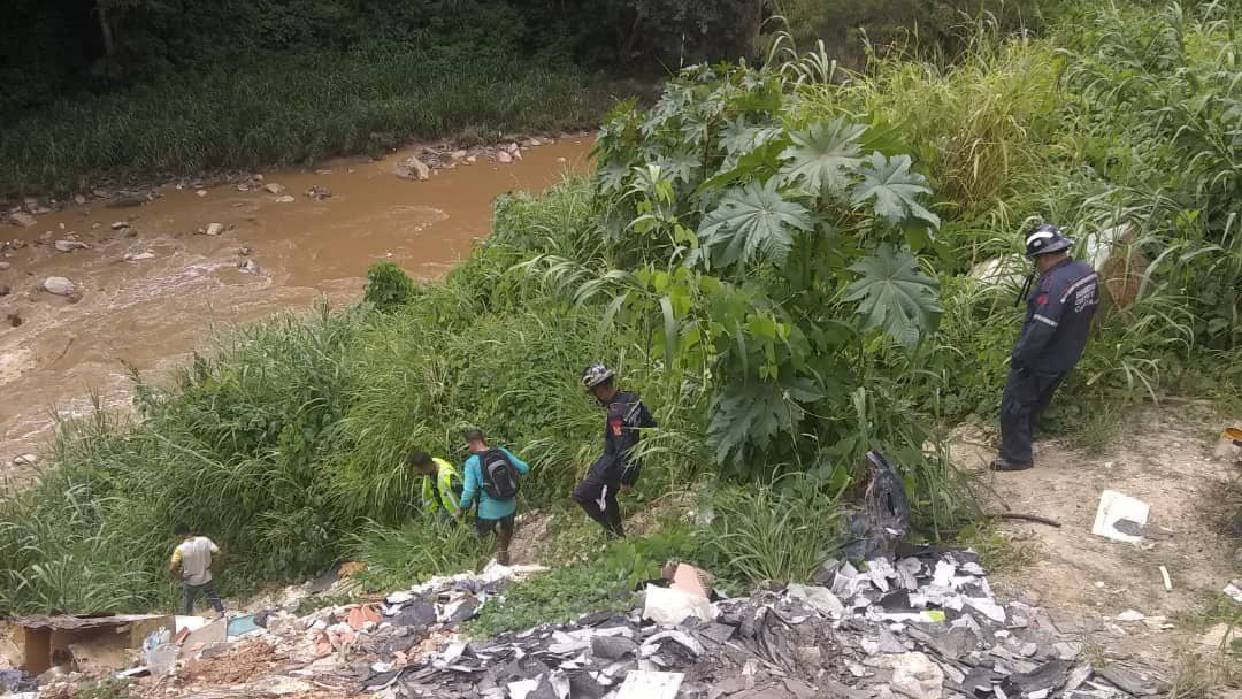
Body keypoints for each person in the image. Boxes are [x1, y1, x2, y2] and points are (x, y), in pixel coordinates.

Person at [991, 223, 1099, 472]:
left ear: (1045, 256)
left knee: (1015, 401)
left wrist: (1021, 357)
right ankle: (1024, 439)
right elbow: (1092, 308)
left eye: (1037, 260)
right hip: (1069, 352)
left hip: (1044, 357)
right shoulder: (1085, 272)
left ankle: (1017, 457)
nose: (1036, 265)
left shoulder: (1054, 285)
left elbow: (1042, 327)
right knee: (1037, 399)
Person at [573, 363, 657, 538]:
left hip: (614, 466)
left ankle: (613, 533)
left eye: (594, 392)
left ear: (600, 389)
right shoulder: (632, 398)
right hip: (626, 459)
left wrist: (626, 478)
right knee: (609, 497)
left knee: (581, 494)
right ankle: (618, 535)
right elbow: (651, 425)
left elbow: (623, 447)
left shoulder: (615, 415)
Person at [459, 428, 530, 565]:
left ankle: (483, 562)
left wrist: (462, 509)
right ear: (483, 439)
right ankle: (503, 553)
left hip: (487, 510)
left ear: (471, 444)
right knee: (506, 528)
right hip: (509, 504)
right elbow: (524, 468)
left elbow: (468, 492)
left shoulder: (472, 462)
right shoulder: (501, 452)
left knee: (481, 536)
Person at [170, 524, 225, 616]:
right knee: (213, 595)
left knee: (187, 601)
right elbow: (219, 553)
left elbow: (172, 568)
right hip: (206, 576)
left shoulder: (180, 549)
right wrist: (213, 566)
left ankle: (187, 618)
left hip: (190, 580)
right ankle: (220, 612)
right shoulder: (205, 540)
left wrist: (180, 577)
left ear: (180, 535)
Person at [407, 451, 462, 517]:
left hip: (458, 514)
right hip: (444, 512)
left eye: (421, 472)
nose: (422, 475)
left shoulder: (447, 475)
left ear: (426, 466)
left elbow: (464, 493)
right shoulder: (431, 467)